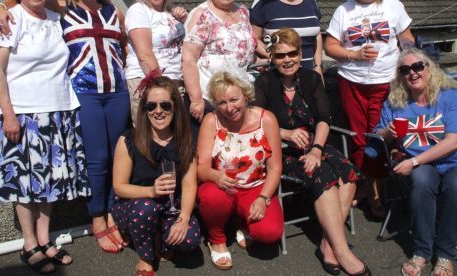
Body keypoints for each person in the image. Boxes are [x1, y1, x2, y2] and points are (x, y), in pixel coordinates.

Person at [0, 0, 130, 253]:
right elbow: (24, 0)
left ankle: (113, 213)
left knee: (118, 158)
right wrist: (0, 6)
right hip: (85, 94)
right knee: (96, 161)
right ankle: (97, 217)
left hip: (118, 93)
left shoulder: (114, 13)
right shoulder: (64, 11)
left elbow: (123, 49)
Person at [0, 0, 90, 274]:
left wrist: (0, 4)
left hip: (58, 109)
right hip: (23, 113)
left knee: (51, 182)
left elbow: (74, 3)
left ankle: (46, 240)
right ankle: (29, 244)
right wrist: (8, 114)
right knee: (24, 183)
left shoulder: (54, 16)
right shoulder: (11, 20)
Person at [254, 28, 370, 276]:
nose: (287, 60)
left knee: (348, 173)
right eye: (280, 55)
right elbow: (257, 121)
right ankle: (343, 252)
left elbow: (324, 118)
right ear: (272, 57)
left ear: (300, 53)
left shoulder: (311, 78)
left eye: (292, 53)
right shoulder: (264, 82)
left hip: (315, 144)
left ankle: (329, 245)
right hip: (284, 152)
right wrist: (284, 133)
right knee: (323, 176)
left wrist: (317, 149)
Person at [324, 0, 415, 217]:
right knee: (358, 136)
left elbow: (406, 38)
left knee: (381, 137)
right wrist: (354, 55)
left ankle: (373, 192)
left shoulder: (393, 6)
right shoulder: (345, 10)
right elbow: (330, 45)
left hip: (385, 81)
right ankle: (365, 185)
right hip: (352, 82)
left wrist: (418, 61)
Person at [373, 48, 457, 276]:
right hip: (418, 164)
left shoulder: (449, 96)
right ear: (400, 75)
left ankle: (446, 253)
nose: (413, 73)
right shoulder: (395, 102)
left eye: (418, 66)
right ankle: (421, 251)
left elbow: (453, 141)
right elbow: (376, 136)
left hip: (451, 160)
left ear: (430, 69)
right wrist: (387, 133)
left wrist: (416, 161)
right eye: (405, 69)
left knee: (455, 186)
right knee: (421, 181)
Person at [111, 73, 200, 275]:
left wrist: (184, 218)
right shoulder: (129, 140)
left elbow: (188, 185)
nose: (158, 111)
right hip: (135, 205)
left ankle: (161, 238)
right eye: (151, 106)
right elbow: (119, 187)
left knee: (189, 240)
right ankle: (146, 257)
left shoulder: (185, 140)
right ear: (144, 109)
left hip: (171, 205)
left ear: (175, 107)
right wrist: (151, 190)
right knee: (146, 209)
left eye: (165, 105)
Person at [197, 71, 283, 271]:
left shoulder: (266, 119)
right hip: (224, 187)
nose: (229, 108)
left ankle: (241, 222)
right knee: (212, 196)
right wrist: (214, 175)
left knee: (269, 233)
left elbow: (275, 167)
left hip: (255, 187)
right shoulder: (211, 121)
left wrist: (263, 198)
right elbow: (201, 168)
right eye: (221, 103)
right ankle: (217, 238)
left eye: (234, 99)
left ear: (246, 95)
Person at [182, 0, 257, 125]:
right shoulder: (203, 14)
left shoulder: (243, 12)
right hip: (210, 98)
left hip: (238, 98)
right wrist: (196, 99)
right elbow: (188, 59)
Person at [124, 0, 187, 120]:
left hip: (175, 82)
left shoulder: (170, 13)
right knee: (149, 140)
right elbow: (144, 55)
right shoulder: (138, 10)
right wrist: (162, 89)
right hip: (149, 84)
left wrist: (184, 21)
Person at [250, 0, 323, 75]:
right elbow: (253, 39)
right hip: (276, 76)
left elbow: (317, 35)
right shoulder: (264, 1)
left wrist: (318, 66)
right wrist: (276, 57)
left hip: (309, 76)